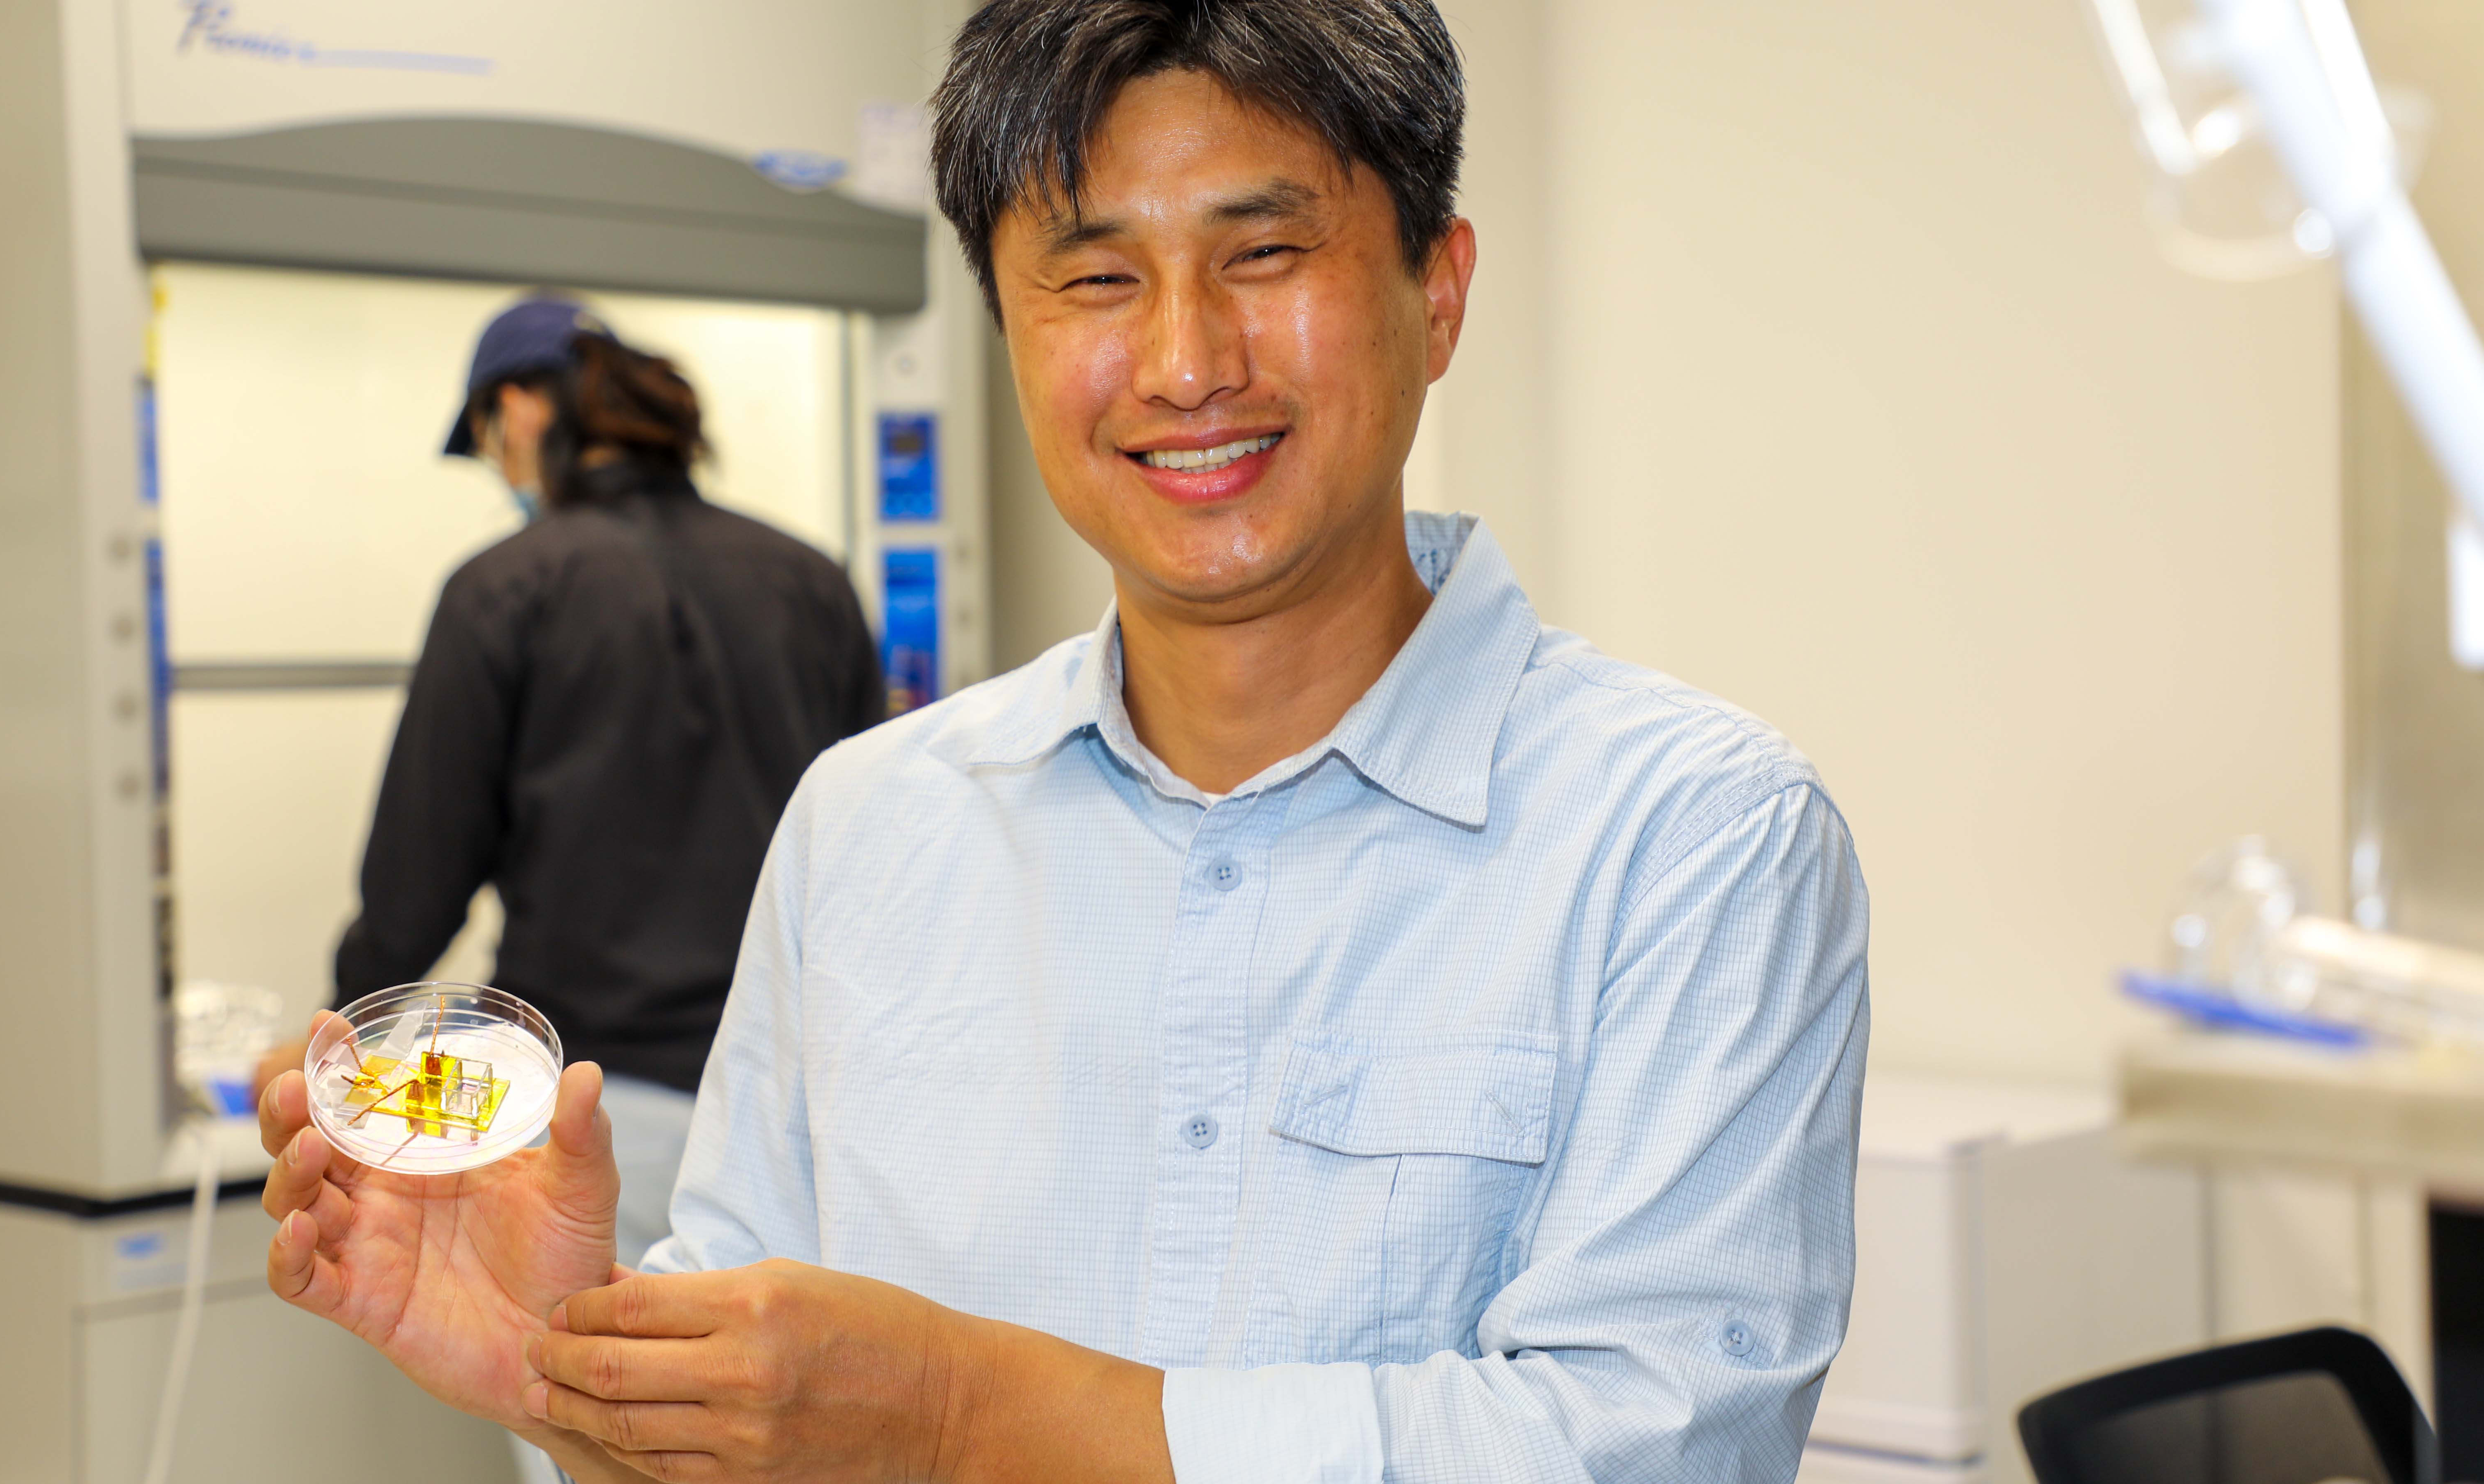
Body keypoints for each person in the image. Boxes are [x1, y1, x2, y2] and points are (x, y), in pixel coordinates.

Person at [256, 3, 1870, 1480]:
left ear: (1433, 292)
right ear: (1009, 336)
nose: (1183, 362)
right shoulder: (866, 825)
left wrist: (962, 1414)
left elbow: (1650, 1446)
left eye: (1262, 254)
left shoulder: (1690, 836)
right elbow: (763, 1448)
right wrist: (565, 1376)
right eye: (1095, 278)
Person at [263, 294, 883, 1265]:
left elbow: (418, 874)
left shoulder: (508, 588)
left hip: (595, 1111)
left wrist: (335, 1041)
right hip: (795, 1111)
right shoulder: (810, 579)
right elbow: (867, 850)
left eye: (487, 445)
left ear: (517, 411)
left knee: (584, 1404)